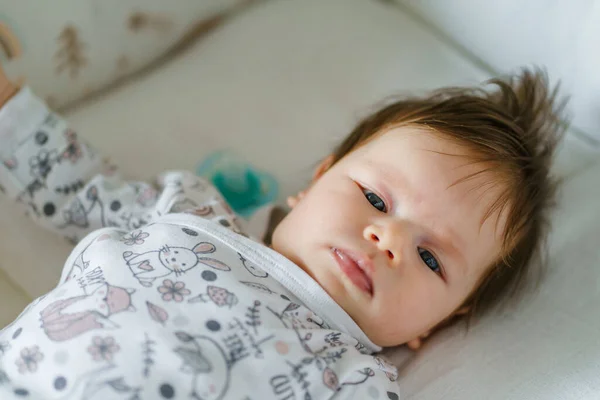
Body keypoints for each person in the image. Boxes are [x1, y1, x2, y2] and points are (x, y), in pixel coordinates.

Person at [0, 65, 563, 399]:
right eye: (374, 199)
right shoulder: (190, 211)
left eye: (431, 260)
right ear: (317, 180)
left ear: (437, 324)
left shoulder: (357, 381)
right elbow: (78, 187)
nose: (389, 239)